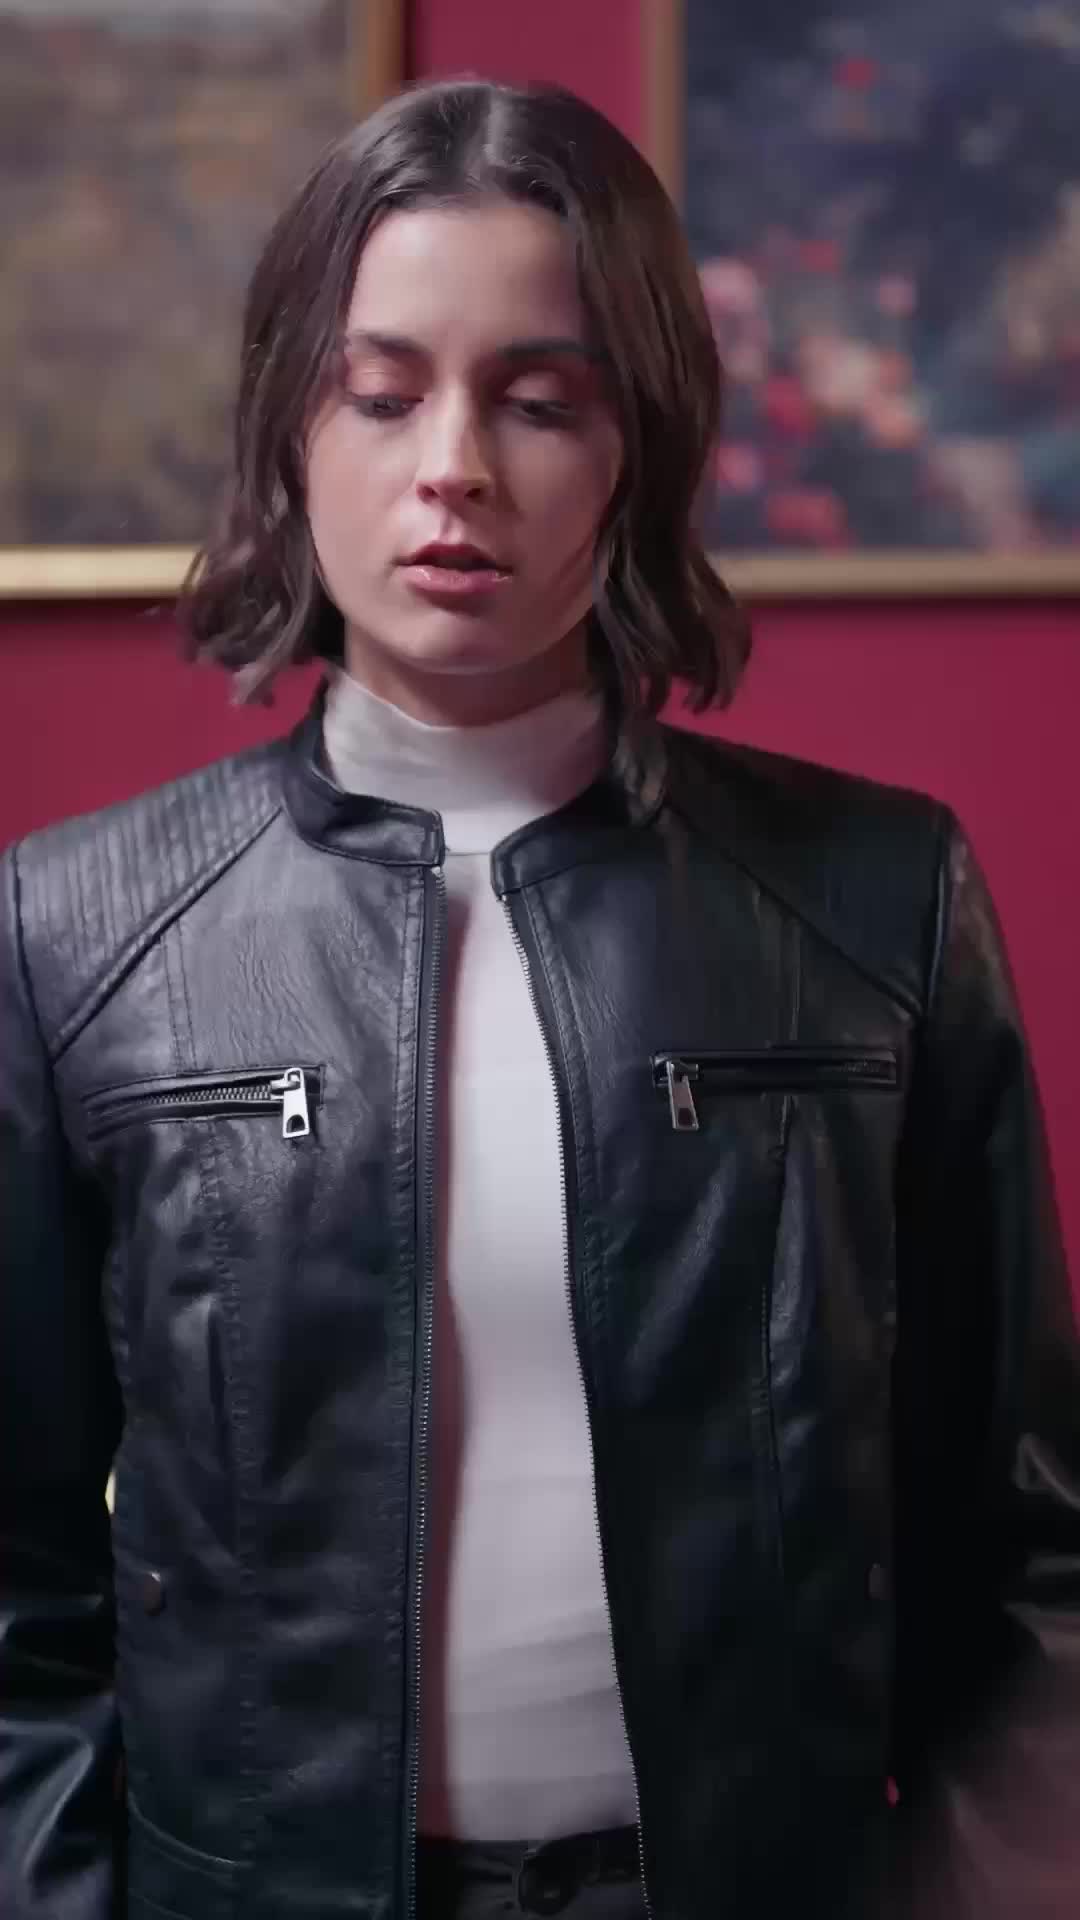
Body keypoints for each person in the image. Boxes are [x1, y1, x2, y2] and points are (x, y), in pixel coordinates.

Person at [2, 77, 1079, 1920]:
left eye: (541, 398)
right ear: (289, 430)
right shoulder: (80, 926)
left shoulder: (876, 899)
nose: (456, 468)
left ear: (638, 444)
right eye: (382, 391)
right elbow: (17, 1582)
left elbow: (1031, 1547)